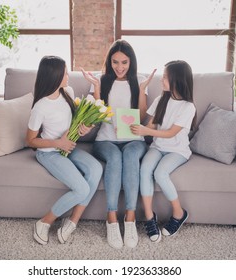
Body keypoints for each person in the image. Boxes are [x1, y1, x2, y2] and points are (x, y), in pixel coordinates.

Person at [81, 39, 155, 249]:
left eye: (124, 62)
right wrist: (96, 88)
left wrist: (142, 91)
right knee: (114, 157)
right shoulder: (101, 81)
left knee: (130, 156)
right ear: (109, 61)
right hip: (105, 140)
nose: (120, 67)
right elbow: (96, 117)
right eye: (115, 62)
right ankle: (111, 218)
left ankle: (130, 218)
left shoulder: (138, 80)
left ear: (131, 62)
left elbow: (140, 117)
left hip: (133, 140)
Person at [26, 55, 103, 245]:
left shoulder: (67, 91)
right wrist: (58, 143)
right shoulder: (40, 107)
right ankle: (44, 222)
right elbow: (30, 141)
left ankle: (72, 221)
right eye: (65, 72)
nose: (68, 75)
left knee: (96, 169)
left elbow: (77, 122)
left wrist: (86, 127)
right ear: (55, 75)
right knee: (82, 188)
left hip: (70, 146)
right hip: (49, 152)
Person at [130, 60, 196, 243]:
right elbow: (150, 125)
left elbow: (171, 133)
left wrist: (146, 131)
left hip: (177, 151)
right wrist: (132, 126)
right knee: (144, 170)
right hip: (158, 147)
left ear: (177, 79)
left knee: (160, 173)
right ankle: (149, 217)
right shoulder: (161, 99)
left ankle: (179, 213)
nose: (162, 80)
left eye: (166, 77)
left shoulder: (188, 107)